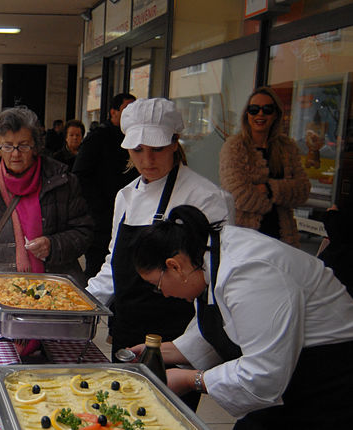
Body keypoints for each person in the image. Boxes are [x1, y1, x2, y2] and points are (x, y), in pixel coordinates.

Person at [128, 204, 353, 427]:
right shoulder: (207, 257)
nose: (164, 294)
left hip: (326, 376)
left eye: (157, 285)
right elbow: (224, 327)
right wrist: (157, 353)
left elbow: (263, 374)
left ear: (174, 266)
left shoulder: (250, 272)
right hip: (290, 371)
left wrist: (192, 380)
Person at [85, 99, 233, 410]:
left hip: (177, 334)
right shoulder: (125, 197)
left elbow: (216, 283)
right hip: (127, 328)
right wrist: (80, 304)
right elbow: (114, 265)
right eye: (138, 150)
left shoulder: (205, 197)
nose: (147, 159)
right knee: (120, 411)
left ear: (175, 143)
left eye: (157, 148)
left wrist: (192, 347)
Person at [0, 106, 93, 322]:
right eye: (8, 146)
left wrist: (53, 244)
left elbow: (84, 233)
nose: (16, 154)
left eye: (24, 145)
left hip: (54, 298)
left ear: (36, 146)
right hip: (1, 295)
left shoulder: (62, 180)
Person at [220, 86, 310, 247]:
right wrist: (280, 197)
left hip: (282, 238)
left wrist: (269, 188)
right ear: (247, 114)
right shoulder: (235, 146)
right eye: (254, 109)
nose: (260, 114)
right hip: (245, 238)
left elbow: (302, 190)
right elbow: (238, 195)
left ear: (276, 114)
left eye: (267, 109)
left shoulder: (287, 147)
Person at [73, 93, 139, 278]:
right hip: (102, 220)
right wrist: (99, 207)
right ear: (113, 112)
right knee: (99, 269)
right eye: (127, 110)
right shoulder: (98, 138)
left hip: (131, 215)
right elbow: (80, 175)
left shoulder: (137, 140)